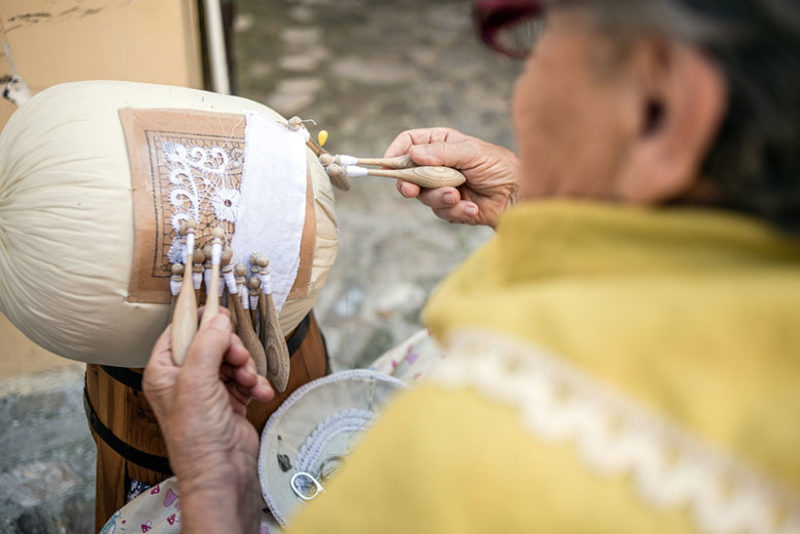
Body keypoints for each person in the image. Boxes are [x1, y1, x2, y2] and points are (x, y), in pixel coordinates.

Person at [142, 0, 800, 532]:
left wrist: (214, 487)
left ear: (661, 111)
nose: (523, 85)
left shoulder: (472, 465)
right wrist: (527, 194)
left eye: (541, 42)